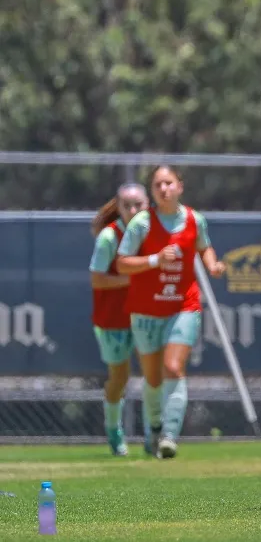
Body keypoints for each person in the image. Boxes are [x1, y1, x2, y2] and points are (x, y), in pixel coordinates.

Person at [116, 165, 226, 459]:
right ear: (152, 191)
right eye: (157, 185)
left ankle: (169, 436)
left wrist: (213, 265)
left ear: (180, 186)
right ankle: (153, 427)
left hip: (184, 306)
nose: (163, 189)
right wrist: (154, 259)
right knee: (152, 378)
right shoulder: (141, 223)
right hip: (145, 311)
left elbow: (205, 248)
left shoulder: (194, 220)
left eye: (168, 183)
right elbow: (122, 263)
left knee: (174, 369)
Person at [89, 182, 149, 456]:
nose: (134, 210)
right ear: (119, 207)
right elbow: (97, 279)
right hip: (114, 319)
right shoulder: (108, 238)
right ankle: (114, 431)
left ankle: (155, 435)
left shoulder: (154, 234)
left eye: (139, 204)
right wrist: (135, 278)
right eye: (128, 205)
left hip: (148, 315)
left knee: (156, 374)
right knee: (119, 379)